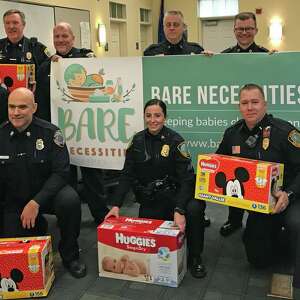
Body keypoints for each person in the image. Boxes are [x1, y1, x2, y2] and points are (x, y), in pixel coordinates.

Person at [105, 99, 207, 279]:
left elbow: (187, 179)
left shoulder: (176, 141)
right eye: (149, 116)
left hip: (178, 195)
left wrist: (180, 208)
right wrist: (115, 204)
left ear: (165, 118)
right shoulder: (136, 141)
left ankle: (195, 256)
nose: (153, 120)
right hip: (154, 198)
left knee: (194, 210)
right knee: (150, 241)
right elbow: (126, 175)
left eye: (157, 116)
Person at [216, 83, 300, 291]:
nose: (250, 107)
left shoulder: (285, 131)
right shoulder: (232, 134)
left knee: (296, 225)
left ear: (265, 104)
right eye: (245, 103)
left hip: (290, 199)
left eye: (255, 102)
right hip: (261, 207)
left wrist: (289, 194)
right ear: (239, 107)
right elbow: (218, 163)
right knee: (257, 259)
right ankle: (281, 240)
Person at [0, 87, 86, 278]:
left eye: (22, 107)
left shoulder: (50, 133)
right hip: (15, 201)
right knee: (14, 253)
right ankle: (37, 227)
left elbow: (61, 173)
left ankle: (70, 256)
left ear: (34, 107)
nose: (16, 112)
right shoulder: (1, 135)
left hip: (46, 197)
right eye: (11, 107)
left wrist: (36, 202)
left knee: (70, 200)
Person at [35, 22, 109, 225]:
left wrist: (72, 63)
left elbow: (99, 79)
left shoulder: (86, 58)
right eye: (56, 36)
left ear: (73, 38)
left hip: (86, 131)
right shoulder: (45, 67)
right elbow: (40, 103)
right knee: (65, 178)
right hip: (59, 134)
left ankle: (101, 217)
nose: (60, 40)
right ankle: (68, 217)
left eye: (64, 36)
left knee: (92, 176)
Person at [144, 10, 210, 227]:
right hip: (162, 119)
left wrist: (210, 62)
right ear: (163, 28)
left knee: (191, 167)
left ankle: (197, 213)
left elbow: (207, 77)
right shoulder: (151, 52)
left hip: (191, 116)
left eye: (176, 24)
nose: (171, 28)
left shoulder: (196, 50)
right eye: (168, 25)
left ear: (184, 27)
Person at [220, 12, 269, 237]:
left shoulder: (267, 56)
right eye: (240, 28)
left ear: (256, 30)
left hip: (260, 124)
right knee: (233, 170)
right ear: (234, 30)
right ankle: (234, 220)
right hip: (238, 124)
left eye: (249, 28)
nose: (244, 32)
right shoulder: (225, 56)